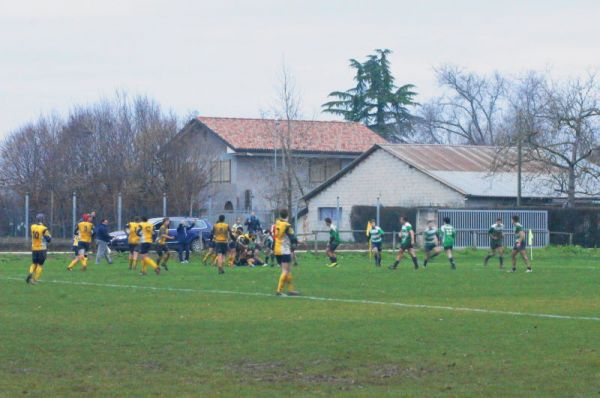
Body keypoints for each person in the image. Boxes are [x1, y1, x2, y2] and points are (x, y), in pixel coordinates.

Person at [274, 209, 299, 296]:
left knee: (287, 271)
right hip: (284, 250)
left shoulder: (277, 223)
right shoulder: (287, 225)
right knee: (286, 270)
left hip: (277, 249)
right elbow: (293, 238)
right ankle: (279, 291)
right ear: (287, 215)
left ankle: (291, 290)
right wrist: (296, 243)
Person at [26, 213, 52, 285]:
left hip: (34, 248)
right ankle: (34, 280)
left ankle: (30, 273)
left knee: (34, 263)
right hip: (41, 248)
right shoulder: (44, 228)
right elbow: (49, 240)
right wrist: (49, 236)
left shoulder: (32, 226)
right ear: (43, 219)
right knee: (40, 264)